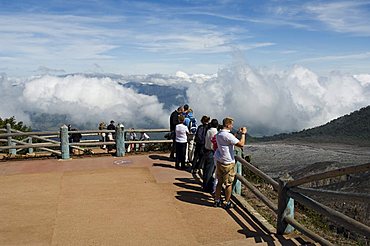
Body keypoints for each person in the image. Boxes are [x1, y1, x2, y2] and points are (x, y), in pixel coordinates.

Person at [213, 117, 247, 209]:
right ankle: (227, 202)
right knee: (228, 183)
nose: (232, 126)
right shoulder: (227, 135)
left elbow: (229, 140)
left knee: (219, 182)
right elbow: (241, 144)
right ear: (228, 125)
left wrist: (237, 133)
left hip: (220, 160)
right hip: (228, 162)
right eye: (231, 124)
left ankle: (217, 200)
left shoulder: (219, 134)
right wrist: (243, 134)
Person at [202, 118, 218, 193]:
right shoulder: (215, 132)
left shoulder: (208, 130)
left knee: (206, 169)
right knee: (210, 171)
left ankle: (204, 185)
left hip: (206, 150)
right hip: (212, 152)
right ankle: (207, 187)